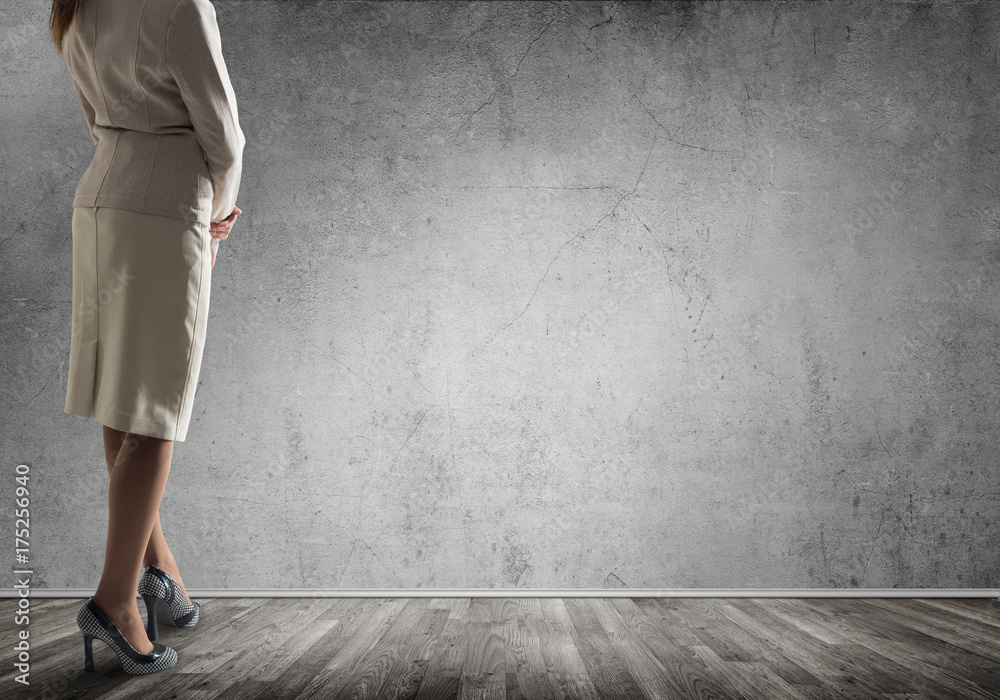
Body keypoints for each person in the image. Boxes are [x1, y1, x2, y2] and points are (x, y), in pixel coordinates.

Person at [49, 0, 245, 675]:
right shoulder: (181, 5)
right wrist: (220, 214)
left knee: (120, 397)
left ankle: (158, 570)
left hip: (99, 202)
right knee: (156, 410)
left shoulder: (74, 6)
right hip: (164, 208)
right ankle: (114, 604)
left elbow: (91, 113)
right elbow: (224, 135)